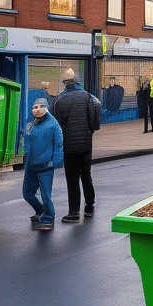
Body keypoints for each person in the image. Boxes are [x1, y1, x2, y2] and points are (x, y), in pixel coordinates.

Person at [52, 67, 100, 224]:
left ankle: (73, 213)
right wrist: (92, 127)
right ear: (78, 82)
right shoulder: (88, 96)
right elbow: (98, 105)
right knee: (86, 176)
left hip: (69, 146)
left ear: (65, 84)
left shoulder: (60, 99)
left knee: (72, 178)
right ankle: (89, 207)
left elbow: (57, 123)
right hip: (85, 144)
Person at [23, 98, 64, 231]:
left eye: (41, 107)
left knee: (46, 195)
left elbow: (58, 145)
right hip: (31, 165)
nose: (38, 109)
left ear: (46, 108)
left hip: (46, 165)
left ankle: (48, 219)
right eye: (35, 107)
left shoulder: (53, 125)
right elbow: (27, 145)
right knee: (27, 193)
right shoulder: (31, 125)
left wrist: (55, 163)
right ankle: (41, 211)